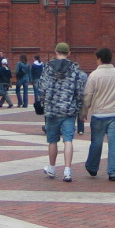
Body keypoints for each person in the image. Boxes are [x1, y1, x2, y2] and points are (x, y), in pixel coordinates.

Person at [81, 47, 115, 182]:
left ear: (99, 59)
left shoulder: (94, 75)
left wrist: (84, 110)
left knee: (96, 141)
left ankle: (92, 166)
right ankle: (113, 171)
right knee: (114, 142)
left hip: (99, 113)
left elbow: (88, 95)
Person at [38, 42, 85, 182]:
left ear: (56, 52)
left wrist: (43, 102)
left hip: (52, 110)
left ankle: (52, 168)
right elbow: (80, 90)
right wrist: (79, 105)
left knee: (52, 141)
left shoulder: (47, 68)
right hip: (69, 110)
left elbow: (42, 88)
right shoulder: (75, 69)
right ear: (69, 53)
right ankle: (67, 170)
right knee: (68, 140)